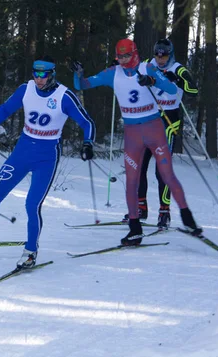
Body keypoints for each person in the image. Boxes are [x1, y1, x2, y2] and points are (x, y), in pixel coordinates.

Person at [0, 55, 96, 268]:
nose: (39, 79)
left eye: (44, 75)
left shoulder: (64, 96)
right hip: (22, 150)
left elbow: (87, 122)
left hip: (46, 156)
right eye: (36, 74)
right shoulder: (26, 89)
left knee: (32, 205)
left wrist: (88, 143)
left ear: (52, 74)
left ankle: (30, 251)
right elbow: (5, 109)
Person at [70, 38, 202, 245]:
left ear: (135, 53)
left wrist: (152, 80)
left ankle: (188, 219)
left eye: (127, 56)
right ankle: (135, 229)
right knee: (131, 181)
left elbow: (169, 88)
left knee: (166, 174)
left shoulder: (148, 67)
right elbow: (82, 85)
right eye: (119, 56)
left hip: (154, 129)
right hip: (132, 134)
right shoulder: (113, 73)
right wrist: (77, 73)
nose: (123, 60)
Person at [121, 38, 199, 228]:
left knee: (161, 170)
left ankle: (164, 211)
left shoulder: (178, 68)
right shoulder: (148, 65)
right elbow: (130, 74)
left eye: (164, 55)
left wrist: (178, 80)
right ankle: (141, 208)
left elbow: (193, 90)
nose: (160, 58)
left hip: (169, 120)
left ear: (170, 53)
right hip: (149, 117)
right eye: (158, 54)